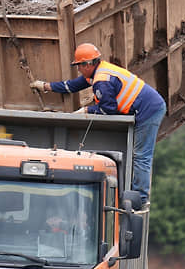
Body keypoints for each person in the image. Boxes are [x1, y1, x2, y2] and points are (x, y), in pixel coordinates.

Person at [30, 43, 167, 205]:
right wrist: (46, 86)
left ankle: (141, 199)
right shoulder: (99, 70)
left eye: (79, 65)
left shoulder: (102, 81)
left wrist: (86, 110)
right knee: (139, 155)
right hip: (148, 106)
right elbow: (72, 86)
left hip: (149, 111)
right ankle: (139, 194)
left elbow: (108, 110)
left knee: (141, 156)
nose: (78, 69)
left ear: (88, 64)